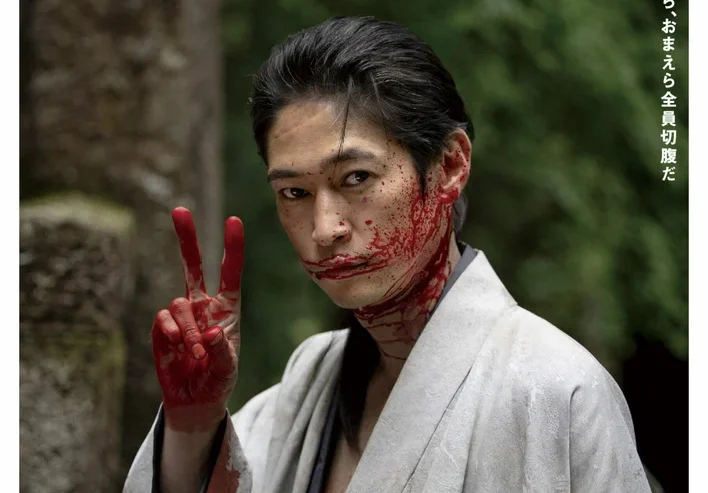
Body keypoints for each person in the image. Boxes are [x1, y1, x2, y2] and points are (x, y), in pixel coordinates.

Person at [123, 16, 651, 493]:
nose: (325, 229)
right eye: (294, 192)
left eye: (356, 178)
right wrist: (193, 424)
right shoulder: (311, 379)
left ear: (449, 167)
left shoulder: (558, 390)